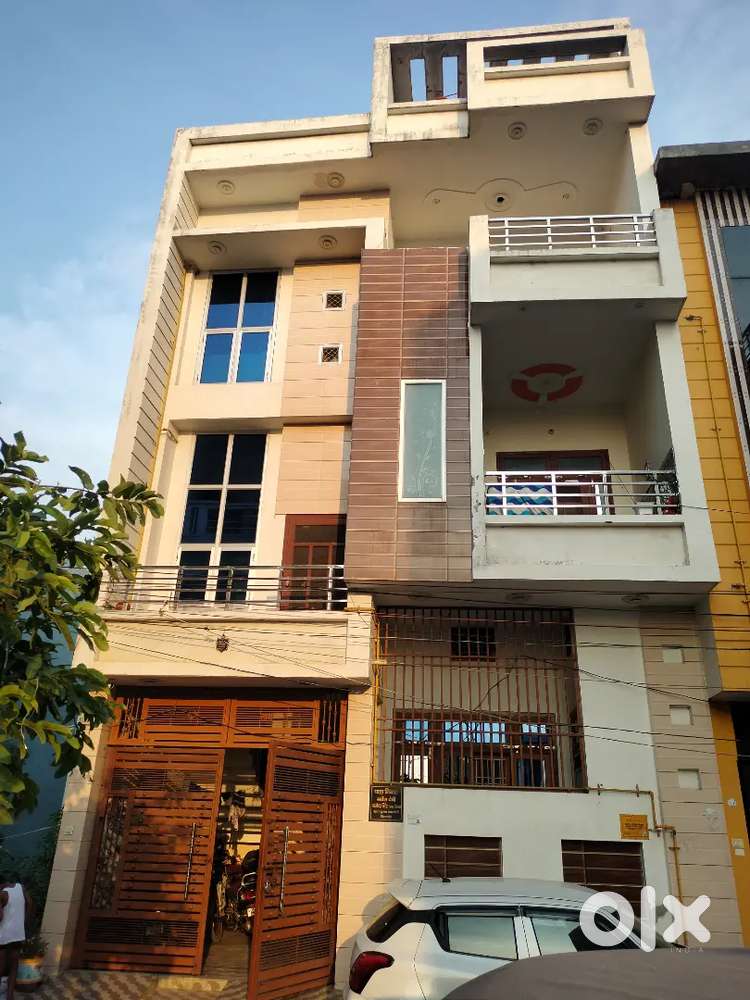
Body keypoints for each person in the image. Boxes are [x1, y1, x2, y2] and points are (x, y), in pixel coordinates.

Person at [0, 882, 31, 1000]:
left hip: (3, 935)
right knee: (14, 966)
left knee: (1, 966)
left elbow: (0, 917)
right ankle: (10, 996)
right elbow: (30, 904)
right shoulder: (20, 887)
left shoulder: (2, 894)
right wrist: (23, 922)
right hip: (18, 933)